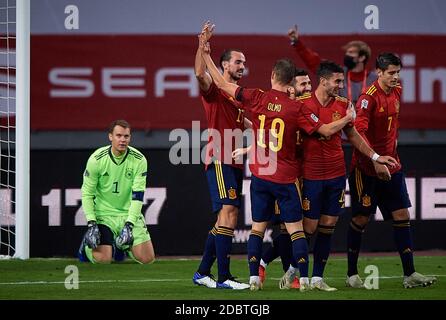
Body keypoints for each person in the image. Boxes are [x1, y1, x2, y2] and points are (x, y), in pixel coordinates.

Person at [199, 22, 354, 291]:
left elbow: (223, 85)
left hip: (261, 175)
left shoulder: (257, 98)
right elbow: (326, 130)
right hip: (287, 177)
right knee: (295, 229)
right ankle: (304, 279)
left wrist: (204, 52)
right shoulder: (298, 109)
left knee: (257, 228)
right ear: (291, 82)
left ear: (272, 75)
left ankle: (252, 278)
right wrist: (349, 118)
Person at [294, 61, 397, 291]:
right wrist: (346, 118)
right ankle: (296, 272)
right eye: (337, 81)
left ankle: (317, 278)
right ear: (323, 81)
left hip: (336, 174)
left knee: (328, 224)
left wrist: (375, 156)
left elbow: (353, 135)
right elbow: (325, 129)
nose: (341, 85)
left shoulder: (343, 104)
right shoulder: (302, 104)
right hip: (310, 174)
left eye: (342, 81)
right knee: (309, 227)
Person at [346, 53, 437, 289]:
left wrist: (391, 155)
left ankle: (410, 274)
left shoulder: (397, 91)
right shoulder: (368, 98)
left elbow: (392, 126)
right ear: (379, 72)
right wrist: (375, 160)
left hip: (392, 165)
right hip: (365, 168)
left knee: (402, 215)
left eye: (398, 72)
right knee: (361, 218)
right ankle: (352, 274)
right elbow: (358, 132)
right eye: (391, 73)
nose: (396, 77)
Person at [192, 21, 250, 290]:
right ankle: (224, 277)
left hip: (236, 161)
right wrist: (202, 49)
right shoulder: (215, 91)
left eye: (244, 62)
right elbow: (200, 74)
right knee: (227, 212)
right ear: (225, 65)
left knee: (226, 217)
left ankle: (203, 273)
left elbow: (248, 124)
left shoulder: (238, 97)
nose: (242, 66)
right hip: (219, 158)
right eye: (238, 62)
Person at [257, 68, 312, 290]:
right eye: (302, 85)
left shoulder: (306, 109)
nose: (307, 88)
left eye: (309, 84)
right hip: (282, 175)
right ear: (290, 87)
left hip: (305, 175)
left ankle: (267, 262)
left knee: (304, 229)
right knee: (285, 228)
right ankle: (292, 273)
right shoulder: (281, 110)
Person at [78, 119, 155, 264]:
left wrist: (129, 224)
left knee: (147, 259)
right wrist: (91, 223)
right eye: (118, 135)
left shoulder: (139, 160)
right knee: (103, 259)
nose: (122, 140)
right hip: (104, 216)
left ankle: (122, 245)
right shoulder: (96, 159)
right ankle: (85, 247)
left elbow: (138, 197)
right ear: (110, 137)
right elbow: (87, 194)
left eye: (126, 136)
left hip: (128, 215)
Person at [288, 25, 376, 104]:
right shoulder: (338, 75)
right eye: (347, 52)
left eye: (351, 52)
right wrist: (297, 43)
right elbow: (314, 62)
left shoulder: (374, 80)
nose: (347, 55)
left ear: (362, 57)